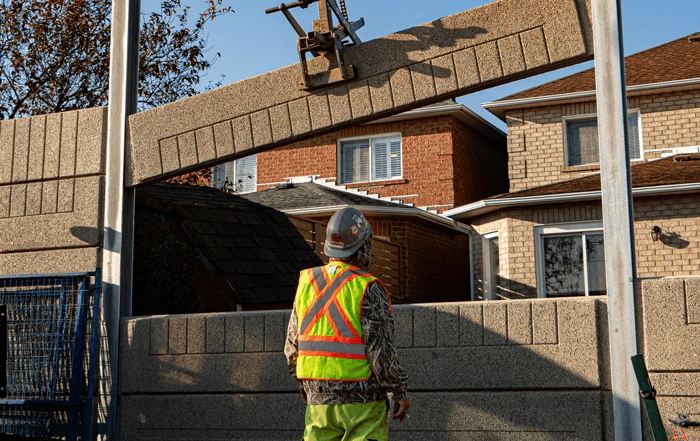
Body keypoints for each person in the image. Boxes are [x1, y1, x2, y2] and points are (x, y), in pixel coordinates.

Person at [284, 207, 410, 441]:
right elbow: (380, 352)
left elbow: (292, 349)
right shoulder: (367, 287)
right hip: (363, 400)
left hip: (318, 401)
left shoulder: (307, 282)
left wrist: (308, 386)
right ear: (364, 246)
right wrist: (398, 389)